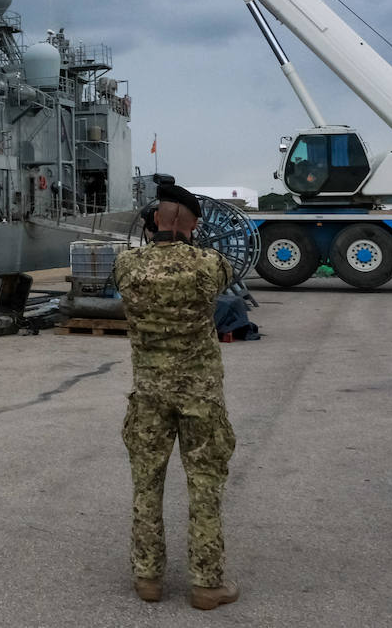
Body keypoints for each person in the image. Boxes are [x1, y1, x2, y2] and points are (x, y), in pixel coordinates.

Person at [111, 183, 240, 610]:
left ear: (154, 221)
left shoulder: (127, 266)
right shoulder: (210, 264)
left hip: (149, 395)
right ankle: (207, 584)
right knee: (205, 484)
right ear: (193, 223)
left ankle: (148, 577)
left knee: (146, 484)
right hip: (200, 395)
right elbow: (225, 278)